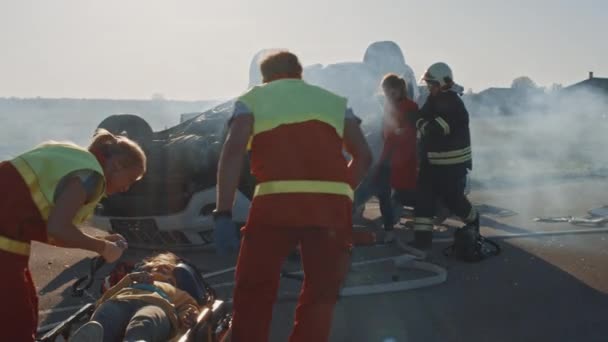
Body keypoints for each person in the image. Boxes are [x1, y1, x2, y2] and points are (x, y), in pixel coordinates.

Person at [213, 51, 372, 342]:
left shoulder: (253, 99)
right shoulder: (334, 102)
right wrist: (340, 191)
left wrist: (223, 212)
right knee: (320, 295)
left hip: (275, 205)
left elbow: (233, 151)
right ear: (299, 74)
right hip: (330, 210)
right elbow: (363, 155)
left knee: (254, 291)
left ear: (265, 77)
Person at [0, 129, 146, 341]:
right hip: (5, 250)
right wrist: (102, 249)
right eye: (131, 179)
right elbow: (58, 229)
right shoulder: (91, 177)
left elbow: (53, 228)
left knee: (25, 309)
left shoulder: (75, 160)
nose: (127, 188)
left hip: (9, 245)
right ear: (117, 166)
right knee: (16, 325)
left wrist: (102, 241)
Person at [408, 62, 478, 249]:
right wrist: (419, 119)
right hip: (431, 161)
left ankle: (473, 221)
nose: (429, 87)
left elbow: (434, 130)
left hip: (451, 163)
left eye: (432, 84)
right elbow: (420, 117)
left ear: (441, 83)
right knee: (423, 200)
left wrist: (420, 122)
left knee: (452, 199)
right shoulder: (434, 99)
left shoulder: (453, 104)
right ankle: (422, 241)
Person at [70, 252, 200, 342]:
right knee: (106, 315)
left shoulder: (173, 290)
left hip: (156, 304)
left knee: (144, 320)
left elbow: (188, 304)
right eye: (156, 267)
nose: (160, 269)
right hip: (121, 300)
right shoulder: (131, 282)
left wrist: (187, 314)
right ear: (148, 268)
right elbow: (103, 300)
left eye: (166, 268)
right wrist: (129, 278)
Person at [353, 73, 419, 243]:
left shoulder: (408, 108)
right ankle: (389, 231)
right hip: (389, 159)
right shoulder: (392, 107)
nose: (388, 95)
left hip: (394, 160)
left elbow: (402, 136)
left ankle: (338, 223)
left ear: (399, 90)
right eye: (385, 92)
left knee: (364, 192)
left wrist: (384, 158)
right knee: (383, 196)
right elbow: (387, 134)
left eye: (391, 91)